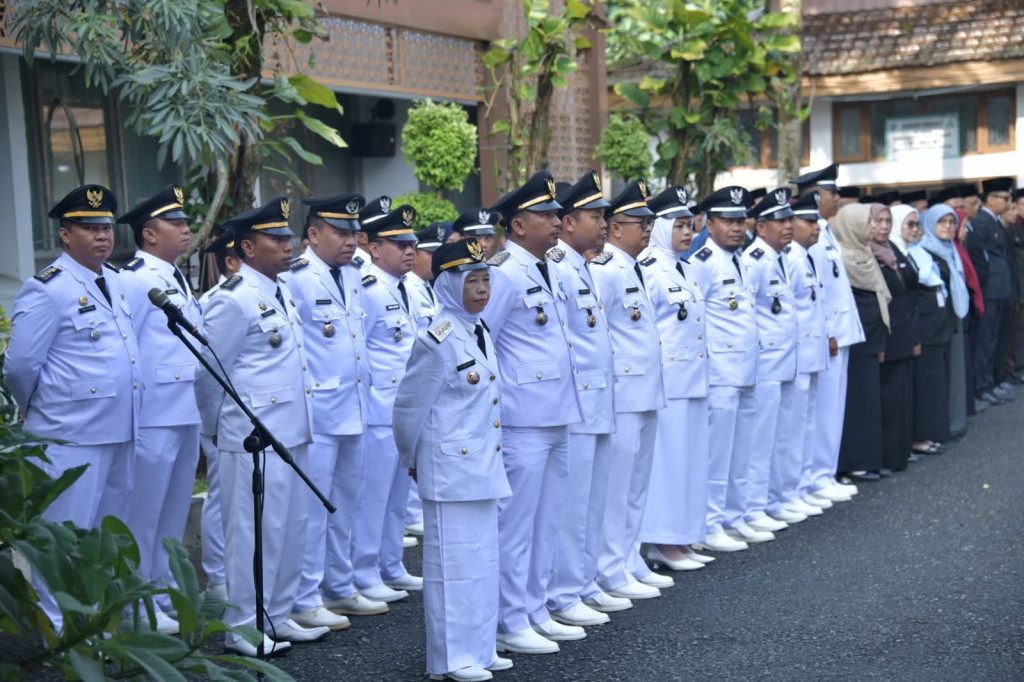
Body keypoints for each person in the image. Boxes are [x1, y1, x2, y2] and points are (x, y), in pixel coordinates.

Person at [4, 184, 141, 630]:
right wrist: (39, 410)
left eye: (106, 228)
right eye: (89, 228)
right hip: (69, 434)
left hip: (118, 429)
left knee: (102, 540)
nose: (102, 236)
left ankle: (91, 628)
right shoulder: (47, 288)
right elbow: (20, 367)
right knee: (64, 537)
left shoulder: (115, 281)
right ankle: (59, 634)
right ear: (65, 235)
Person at [194, 197, 321, 657]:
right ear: (247, 247)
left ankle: (277, 615)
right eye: (276, 238)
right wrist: (216, 429)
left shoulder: (280, 290)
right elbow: (209, 373)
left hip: (293, 431)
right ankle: (243, 627)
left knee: (290, 530)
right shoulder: (233, 299)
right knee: (251, 535)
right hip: (252, 438)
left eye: (288, 237)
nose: (288, 245)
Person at [393, 239, 513, 682]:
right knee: (453, 569)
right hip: (450, 468)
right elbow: (409, 409)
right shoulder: (437, 339)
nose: (481, 290)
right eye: (471, 281)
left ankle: (480, 648)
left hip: (481, 464)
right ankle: (452, 658)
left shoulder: (478, 330)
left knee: (483, 563)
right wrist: (412, 458)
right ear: (447, 285)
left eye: (485, 281)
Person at [483, 171, 583, 654]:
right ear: (518, 225)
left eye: (555, 213)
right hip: (522, 417)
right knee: (517, 525)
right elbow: (483, 341)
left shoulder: (551, 267)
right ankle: (509, 619)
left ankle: (536, 607)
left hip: (557, 410)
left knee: (548, 520)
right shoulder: (502, 273)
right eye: (545, 215)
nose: (556, 221)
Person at [285, 193, 389, 630]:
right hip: (319, 414)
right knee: (313, 509)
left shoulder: (354, 275)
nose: (350, 241)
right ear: (313, 234)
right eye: (340, 233)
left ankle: (339, 585)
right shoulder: (297, 278)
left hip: (355, 406)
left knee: (347, 503)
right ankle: (304, 596)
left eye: (353, 233)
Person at [117, 184, 202, 635]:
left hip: (184, 408)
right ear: (149, 234)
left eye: (185, 222)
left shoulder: (174, 274)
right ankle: (134, 606)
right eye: (175, 222)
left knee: (171, 514)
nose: (186, 229)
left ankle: (163, 595)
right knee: (143, 515)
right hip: (152, 413)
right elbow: (124, 346)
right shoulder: (133, 278)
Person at [544, 172, 624, 625]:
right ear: (570, 222)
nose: (604, 223)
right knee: (571, 505)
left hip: (597, 401)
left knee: (593, 500)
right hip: (575, 404)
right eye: (595, 215)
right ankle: (562, 591)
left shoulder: (584, 266)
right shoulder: (558, 266)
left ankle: (584, 581)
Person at [589, 180, 669, 597]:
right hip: (622, 393)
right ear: (616, 227)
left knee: (637, 485)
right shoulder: (604, 270)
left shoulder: (637, 267)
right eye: (640, 222)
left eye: (650, 222)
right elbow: (598, 333)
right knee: (616, 488)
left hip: (645, 390)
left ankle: (630, 557)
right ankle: (609, 567)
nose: (648, 229)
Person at [351, 200, 424, 604]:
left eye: (412, 244)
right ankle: (364, 571)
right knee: (373, 496)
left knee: (398, 496)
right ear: (375, 248)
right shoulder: (367, 288)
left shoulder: (409, 287)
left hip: (406, 409)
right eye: (399, 245)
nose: (409, 251)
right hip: (379, 409)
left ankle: (391, 564)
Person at [637, 186, 714, 571]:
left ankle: (682, 535)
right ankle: (661, 540)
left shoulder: (685, 267)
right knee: (667, 463)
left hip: (692, 377)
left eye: (689, 225)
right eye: (679, 226)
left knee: (689, 460)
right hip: (668, 380)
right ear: (659, 227)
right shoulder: (649, 267)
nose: (687, 232)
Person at [688, 186, 760, 552]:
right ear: (709, 223)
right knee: (716, 454)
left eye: (740, 220)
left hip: (745, 367)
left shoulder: (740, 258)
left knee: (741, 450)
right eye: (727, 221)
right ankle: (710, 522)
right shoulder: (701, 262)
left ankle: (735, 515)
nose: (736, 228)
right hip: (719, 373)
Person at [794, 165, 862, 504]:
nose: (838, 198)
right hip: (828, 336)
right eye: (833, 192)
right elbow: (815, 293)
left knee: (833, 409)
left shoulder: (824, 229)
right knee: (821, 411)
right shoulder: (811, 236)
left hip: (839, 333)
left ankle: (825, 473)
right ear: (816, 195)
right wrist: (828, 333)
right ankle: (816, 476)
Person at [776, 192, 830, 521]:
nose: (816, 227)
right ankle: (788, 490)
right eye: (808, 221)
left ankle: (803, 484)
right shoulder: (790, 258)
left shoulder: (804, 256)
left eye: (816, 221)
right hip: (793, 355)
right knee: (791, 429)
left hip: (810, 353)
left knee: (806, 424)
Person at [197, 230, 242, 602]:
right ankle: (217, 576)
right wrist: (211, 423)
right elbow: (209, 370)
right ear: (231, 261)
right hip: (221, 412)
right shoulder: (217, 300)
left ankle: (238, 573)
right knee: (220, 494)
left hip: (248, 413)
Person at [832, 204, 890, 481]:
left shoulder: (865, 252)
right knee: (856, 402)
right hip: (855, 341)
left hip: (871, 337)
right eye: (867, 223)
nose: (872, 228)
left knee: (869, 401)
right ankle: (854, 462)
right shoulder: (840, 256)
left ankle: (869, 459)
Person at [888, 206, 944, 458]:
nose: (915, 229)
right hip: (910, 327)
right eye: (909, 224)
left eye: (916, 224)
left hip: (922, 324)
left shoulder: (913, 251)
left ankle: (922, 435)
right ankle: (913, 439)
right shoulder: (892, 251)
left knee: (924, 385)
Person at [870, 205, 917, 474]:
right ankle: (888, 456)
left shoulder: (892, 249)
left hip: (903, 330)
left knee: (901, 397)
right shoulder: (866, 254)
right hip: (884, 335)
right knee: (887, 398)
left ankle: (901, 452)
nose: (884, 227)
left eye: (888, 221)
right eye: (877, 221)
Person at [920, 204, 971, 445]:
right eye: (942, 222)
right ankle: (945, 425)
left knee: (956, 371)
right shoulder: (923, 251)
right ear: (930, 223)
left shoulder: (950, 249)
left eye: (952, 222)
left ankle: (955, 422)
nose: (948, 227)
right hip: (937, 321)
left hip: (954, 315)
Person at [970, 178, 1015, 406]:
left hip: (998, 291)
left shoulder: (994, 222)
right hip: (988, 291)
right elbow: (980, 260)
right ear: (990, 199)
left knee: (993, 340)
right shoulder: (981, 222)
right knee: (984, 342)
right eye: (1005, 198)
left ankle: (991, 382)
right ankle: (982, 387)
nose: (1008, 203)